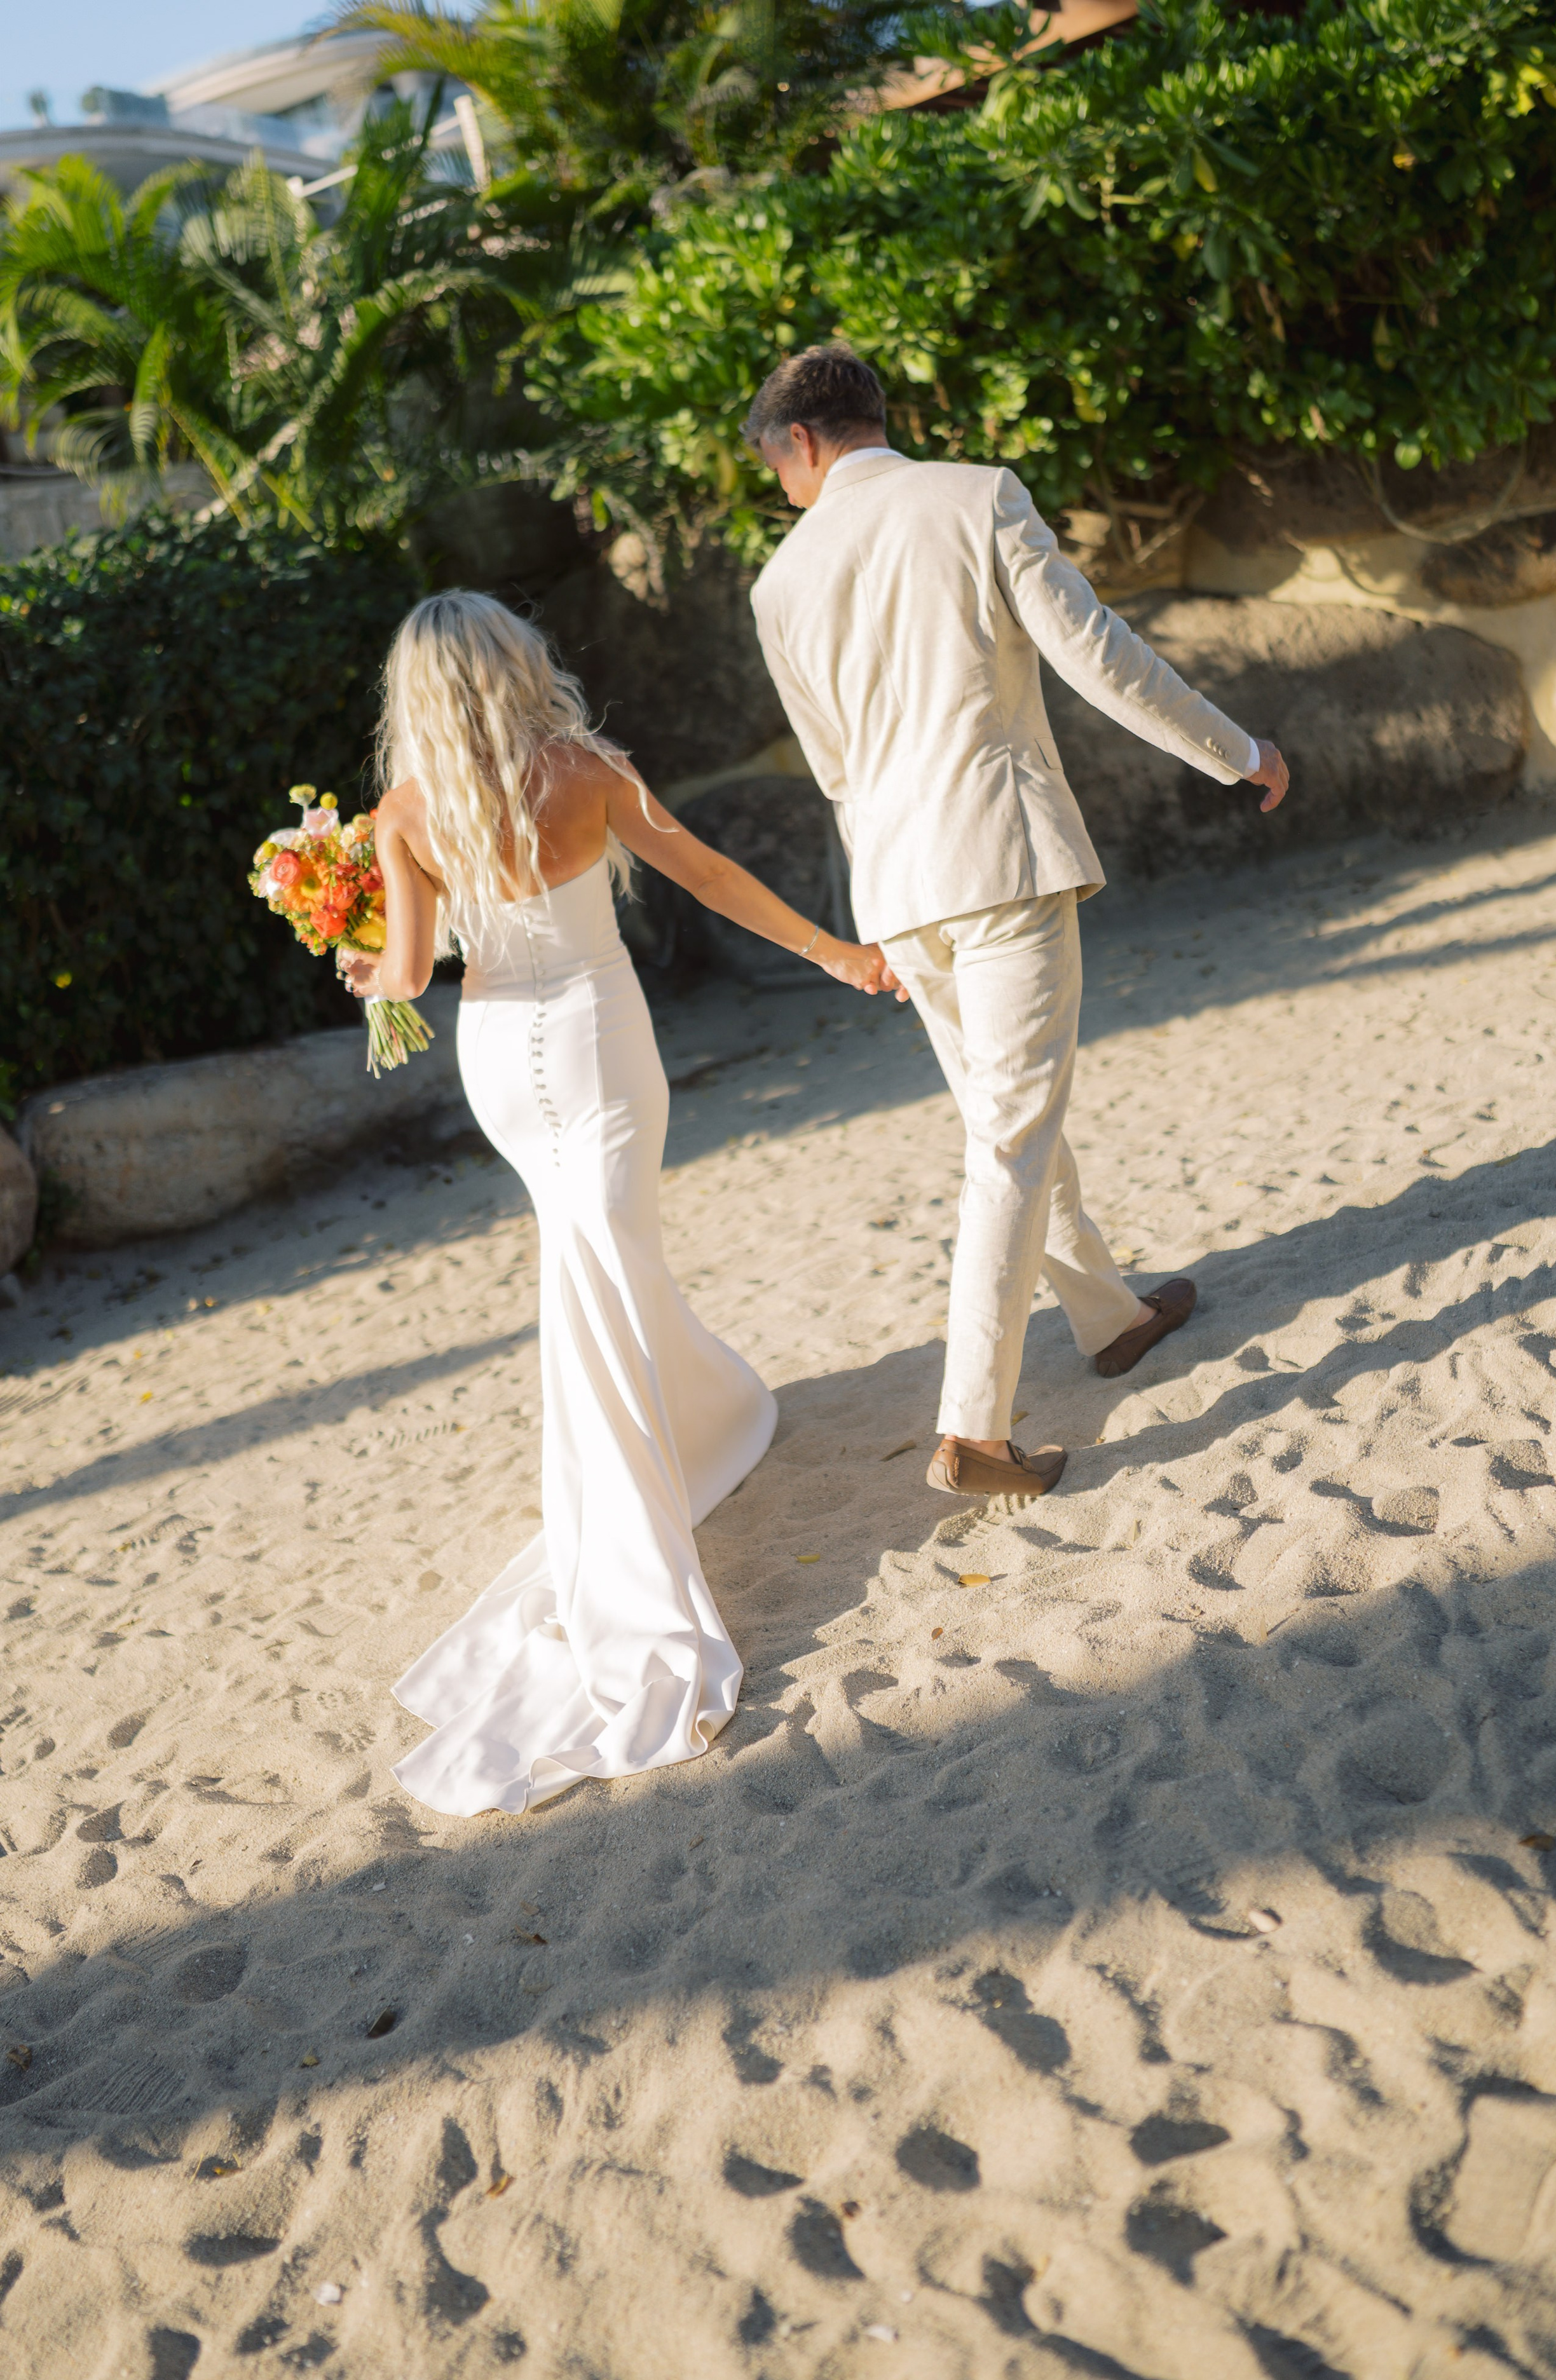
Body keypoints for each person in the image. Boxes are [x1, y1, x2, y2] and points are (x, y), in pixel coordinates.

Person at [338, 590, 899, 1815]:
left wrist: (358, 968)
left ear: (419, 694)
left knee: (595, 1263)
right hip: (595, 1039)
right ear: (512, 664)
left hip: (500, 1053)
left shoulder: (408, 812)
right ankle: (641, 1497)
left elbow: (415, 973)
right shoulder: (584, 771)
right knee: (603, 1253)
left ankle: (688, 1424)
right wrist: (834, 950)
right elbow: (706, 875)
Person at [746, 345, 1290, 1502]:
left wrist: (882, 911)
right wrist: (1236, 751)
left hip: (897, 887)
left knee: (1012, 1115)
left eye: (772, 462)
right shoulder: (976, 493)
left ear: (801, 440)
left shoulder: (777, 583)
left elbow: (834, 770)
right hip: (999, 855)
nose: (777, 486)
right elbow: (1097, 655)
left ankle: (1112, 1317)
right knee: (1011, 1136)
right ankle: (975, 1434)